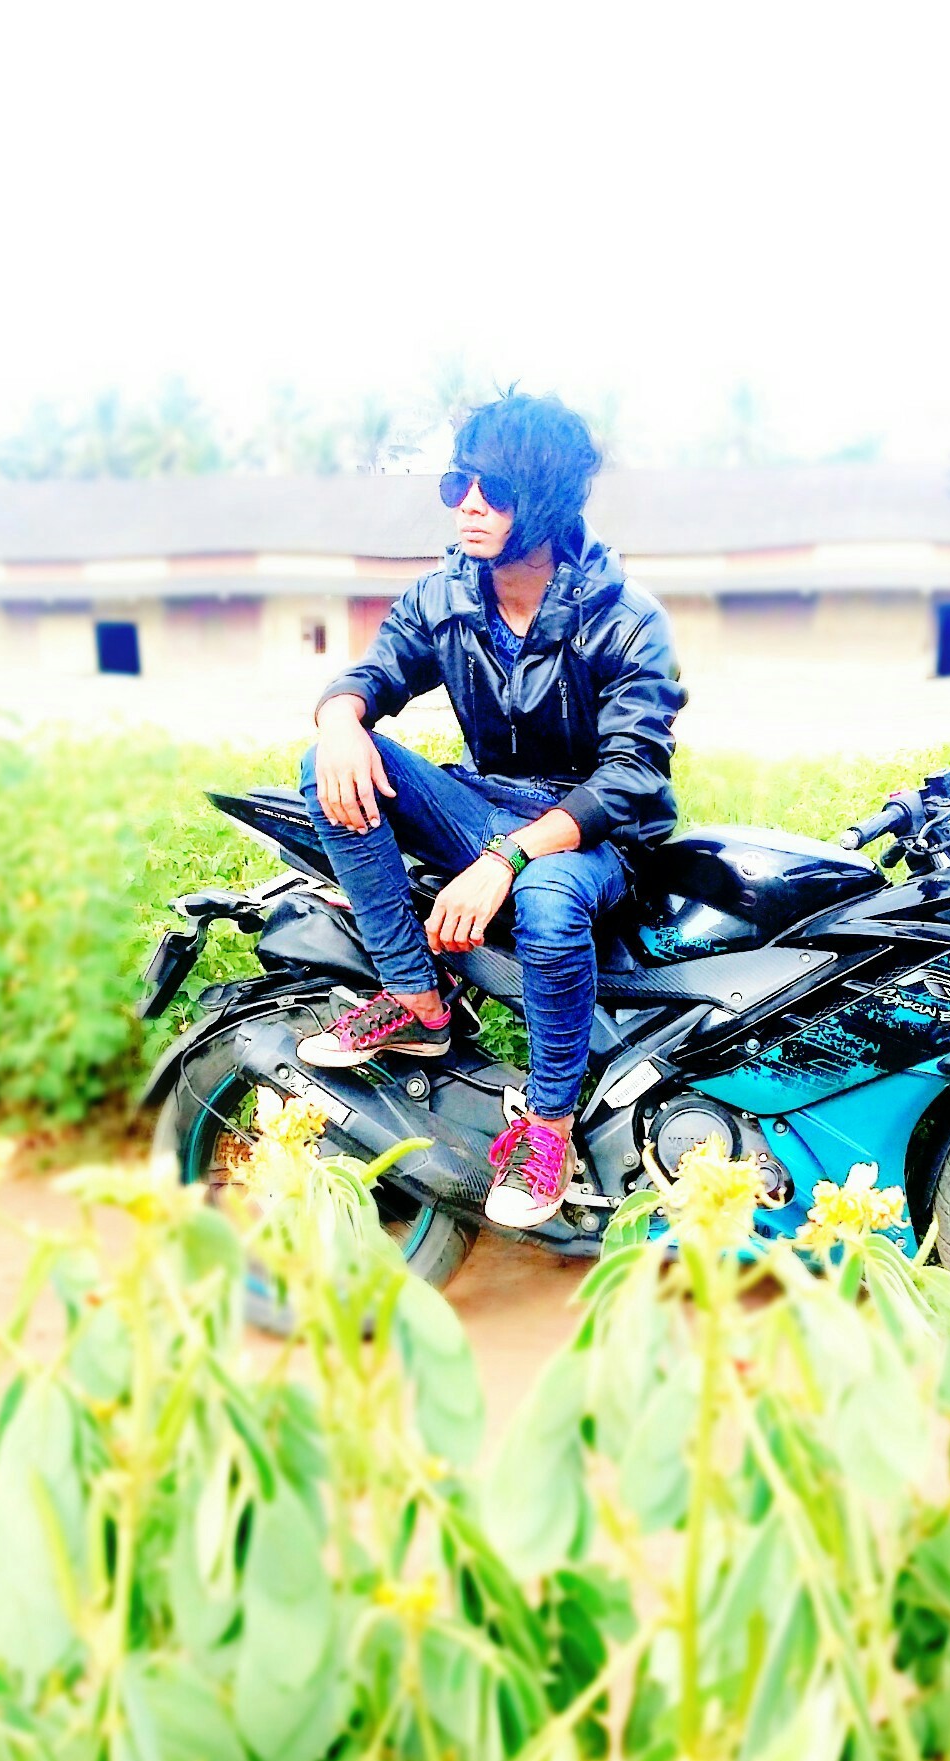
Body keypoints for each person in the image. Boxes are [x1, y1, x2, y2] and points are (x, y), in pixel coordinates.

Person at [296, 390, 684, 1228]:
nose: (468, 504)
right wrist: (340, 719)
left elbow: (632, 774)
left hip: (597, 832)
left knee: (547, 902)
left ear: (543, 502)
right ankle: (417, 1001)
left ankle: (548, 1127)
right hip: (485, 801)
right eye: (458, 483)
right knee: (327, 761)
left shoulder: (626, 618)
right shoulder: (445, 596)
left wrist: (504, 859)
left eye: (494, 489)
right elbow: (374, 674)